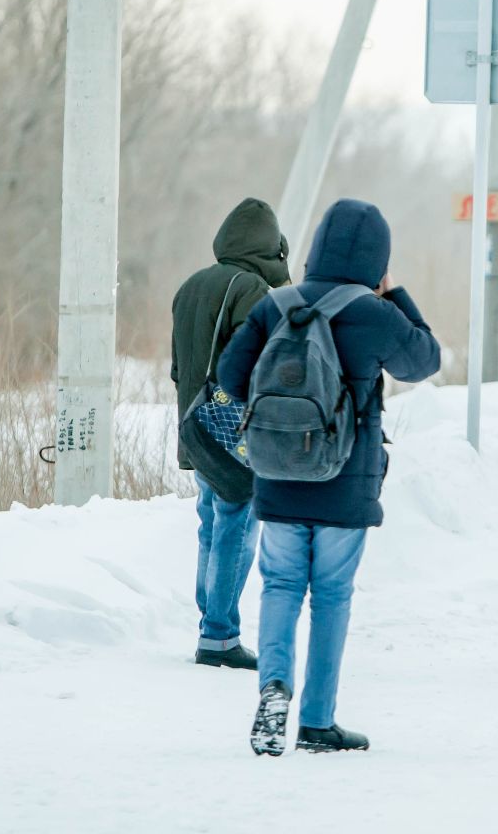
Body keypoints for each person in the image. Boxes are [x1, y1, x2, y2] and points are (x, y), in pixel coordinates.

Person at [219, 199, 440, 756]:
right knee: (332, 595)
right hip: (345, 480)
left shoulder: (276, 305)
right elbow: (424, 361)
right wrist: (395, 293)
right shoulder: (375, 313)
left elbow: (230, 377)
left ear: (316, 248)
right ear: (377, 260)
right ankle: (318, 721)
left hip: (279, 474)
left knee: (280, 585)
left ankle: (274, 687)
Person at [170, 197, 290, 670]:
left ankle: (211, 622)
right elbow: (261, 363)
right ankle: (219, 635)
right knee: (236, 526)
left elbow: (179, 367)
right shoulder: (251, 289)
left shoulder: (191, 285)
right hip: (234, 431)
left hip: (196, 426)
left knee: (211, 522)